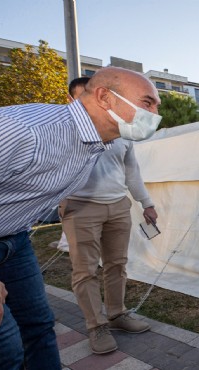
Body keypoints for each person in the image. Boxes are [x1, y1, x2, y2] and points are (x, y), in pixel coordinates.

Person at [0, 66, 162, 370]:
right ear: (105, 97)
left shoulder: (95, 143)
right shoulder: (18, 130)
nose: (156, 114)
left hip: (13, 240)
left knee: (40, 328)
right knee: (0, 351)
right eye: (148, 103)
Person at [60, 123, 159, 354]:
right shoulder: (69, 128)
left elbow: (132, 169)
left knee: (117, 264)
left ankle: (116, 314)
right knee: (86, 270)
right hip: (80, 206)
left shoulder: (124, 132)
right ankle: (97, 326)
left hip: (118, 205)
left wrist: (147, 203)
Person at [49, 77, 94, 253]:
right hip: (76, 202)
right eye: (83, 96)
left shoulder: (115, 131)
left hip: (110, 202)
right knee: (83, 260)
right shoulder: (59, 129)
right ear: (71, 100)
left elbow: (130, 169)